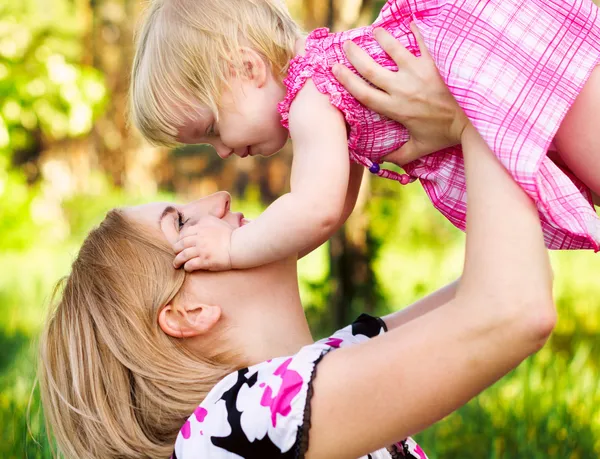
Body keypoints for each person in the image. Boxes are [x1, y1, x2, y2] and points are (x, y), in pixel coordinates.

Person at [39, 30, 556, 459]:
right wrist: (477, 102)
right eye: (181, 223)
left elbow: (502, 280)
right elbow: (511, 310)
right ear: (187, 310)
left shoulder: (310, 379)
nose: (219, 198)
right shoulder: (229, 426)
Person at [129, 0, 600, 275]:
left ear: (247, 69)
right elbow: (332, 214)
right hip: (501, 64)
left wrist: (233, 250)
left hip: (497, 61)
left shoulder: (313, 96)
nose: (224, 151)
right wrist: (264, 256)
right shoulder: (328, 86)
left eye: (212, 131)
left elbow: (316, 209)